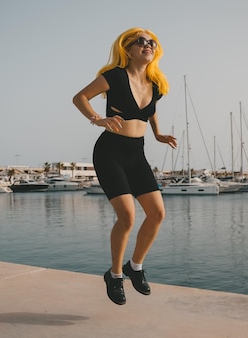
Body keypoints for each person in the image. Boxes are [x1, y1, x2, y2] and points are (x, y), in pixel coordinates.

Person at [73, 28, 177, 305]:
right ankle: (115, 275)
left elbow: (151, 109)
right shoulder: (115, 77)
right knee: (128, 217)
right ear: (127, 49)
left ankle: (135, 267)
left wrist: (157, 133)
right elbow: (79, 97)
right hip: (110, 152)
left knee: (157, 214)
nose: (147, 45)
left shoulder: (154, 84)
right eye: (140, 41)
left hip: (137, 153)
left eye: (151, 42)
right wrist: (97, 118)